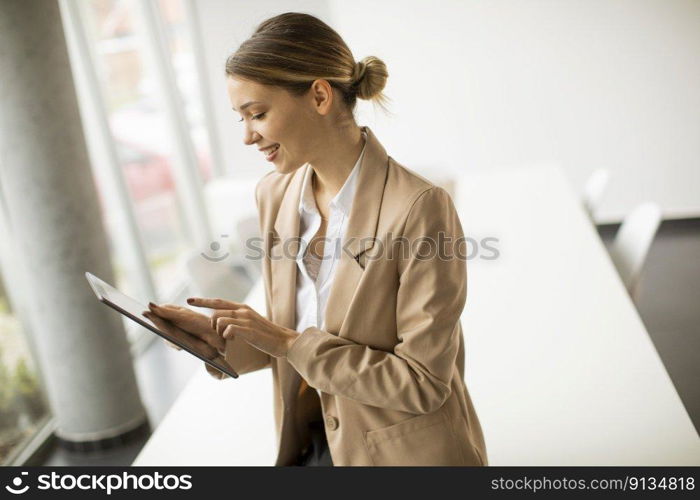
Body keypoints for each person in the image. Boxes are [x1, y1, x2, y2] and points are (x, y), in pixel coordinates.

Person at [145, 12, 487, 467]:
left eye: (258, 114)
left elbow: (421, 382)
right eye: (240, 118)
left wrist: (286, 342)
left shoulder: (419, 207)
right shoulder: (276, 195)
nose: (248, 136)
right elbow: (297, 333)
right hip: (310, 445)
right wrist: (221, 340)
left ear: (320, 95)